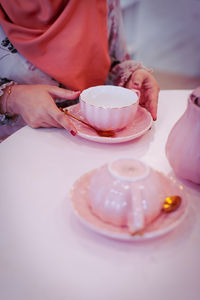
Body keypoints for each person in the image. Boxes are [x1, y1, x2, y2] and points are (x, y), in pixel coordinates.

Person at [0, 0, 159, 141]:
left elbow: (110, 60)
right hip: (12, 147)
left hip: (92, 140)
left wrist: (131, 78)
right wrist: (11, 99)